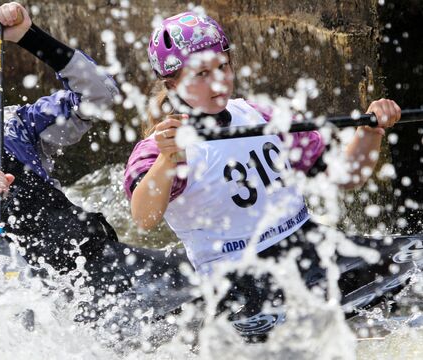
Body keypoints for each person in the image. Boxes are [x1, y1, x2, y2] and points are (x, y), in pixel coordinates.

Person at [0, 2, 189, 315]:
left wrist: (29, 36)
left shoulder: (10, 129)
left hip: (100, 266)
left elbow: (100, 95)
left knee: (218, 279)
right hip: (33, 307)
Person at [124, 11, 404, 340]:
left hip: (311, 247)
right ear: (172, 83)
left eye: (223, 67)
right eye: (201, 73)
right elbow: (144, 217)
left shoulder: (260, 114)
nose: (219, 81)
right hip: (239, 281)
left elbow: (346, 176)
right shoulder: (159, 147)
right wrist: (168, 160)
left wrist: (370, 130)